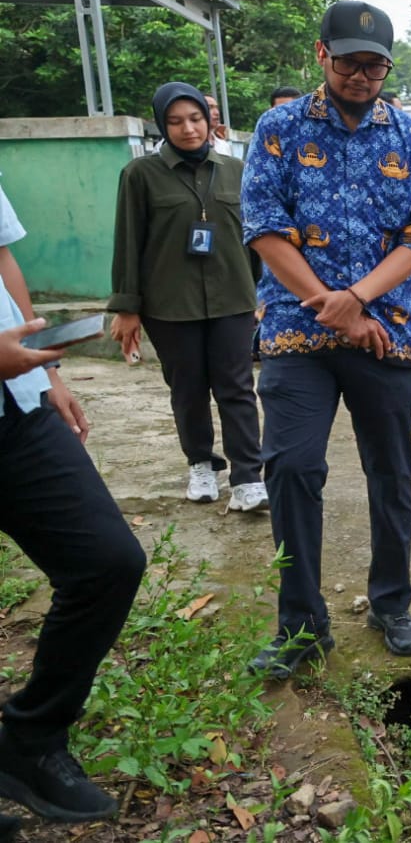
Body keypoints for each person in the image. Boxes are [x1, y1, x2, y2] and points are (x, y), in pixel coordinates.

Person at [242, 0, 411, 675]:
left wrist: (356, 301)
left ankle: (391, 603)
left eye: (375, 66)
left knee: (390, 472)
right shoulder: (278, 128)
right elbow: (264, 227)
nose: (362, 76)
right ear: (321, 55)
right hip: (296, 334)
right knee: (292, 468)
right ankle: (301, 625)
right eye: (350, 63)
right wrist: (329, 305)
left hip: (384, 333)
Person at [0, 179, 145, 826]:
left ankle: (30, 740)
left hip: (16, 408)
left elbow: (3, 260)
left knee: (108, 562)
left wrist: (44, 368)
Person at [108, 82, 266, 512]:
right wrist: (127, 307)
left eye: (195, 118)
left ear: (209, 120)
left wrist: (261, 292)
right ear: (163, 126)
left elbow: (255, 237)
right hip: (170, 304)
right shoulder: (140, 175)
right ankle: (200, 463)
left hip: (233, 298)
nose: (188, 129)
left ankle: (248, 477)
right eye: (176, 121)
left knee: (237, 388)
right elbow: (128, 242)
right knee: (187, 388)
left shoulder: (236, 171)